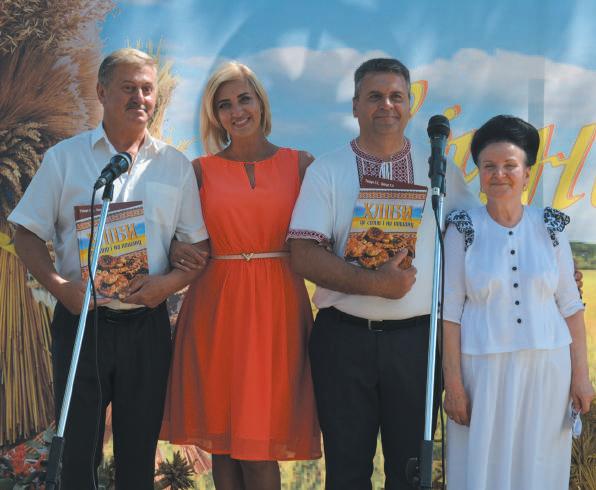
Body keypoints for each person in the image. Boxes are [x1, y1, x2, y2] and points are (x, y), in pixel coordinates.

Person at [8, 48, 209, 489]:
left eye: (147, 89)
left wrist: (166, 285)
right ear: (101, 92)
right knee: (78, 457)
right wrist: (61, 287)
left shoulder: (174, 166)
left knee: (137, 457)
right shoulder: (65, 158)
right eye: (128, 87)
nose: (140, 97)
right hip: (82, 323)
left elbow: (197, 248)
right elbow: (25, 233)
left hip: (147, 326)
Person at [288, 57, 477, 489]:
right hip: (344, 341)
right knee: (347, 472)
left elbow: (478, 235)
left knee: (410, 472)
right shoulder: (327, 170)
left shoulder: (439, 170)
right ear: (355, 105)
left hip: (416, 342)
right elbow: (303, 254)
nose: (386, 105)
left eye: (396, 96)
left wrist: (554, 267)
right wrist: (377, 284)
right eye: (374, 96)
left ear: (410, 105)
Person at [160, 61, 321, 490]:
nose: (236, 111)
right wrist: (174, 247)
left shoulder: (301, 165)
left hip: (277, 310)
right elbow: (173, 234)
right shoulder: (199, 170)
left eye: (244, 99)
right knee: (223, 446)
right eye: (224, 105)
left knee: (258, 449)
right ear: (215, 115)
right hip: (215, 309)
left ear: (261, 103)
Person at [442, 115, 594, 490]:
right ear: (479, 174)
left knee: (539, 467)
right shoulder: (462, 229)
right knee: (482, 467)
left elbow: (570, 306)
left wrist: (581, 375)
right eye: (488, 166)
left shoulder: (551, 227)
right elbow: (451, 315)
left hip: (548, 371)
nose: (499, 174)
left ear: (527, 174)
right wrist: (454, 385)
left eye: (510, 166)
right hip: (482, 373)